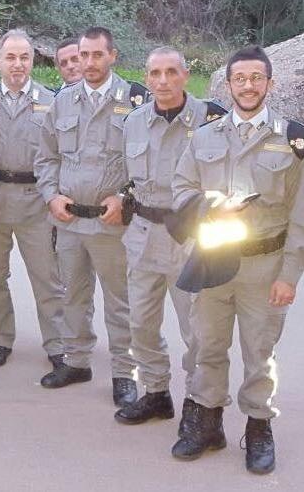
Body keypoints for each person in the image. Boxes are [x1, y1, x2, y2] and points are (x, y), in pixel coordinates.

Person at [170, 45, 304, 475]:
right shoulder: (205, 137)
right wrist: (213, 205)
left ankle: (259, 427)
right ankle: (207, 423)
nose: (248, 86)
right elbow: (181, 191)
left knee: (259, 352)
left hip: (265, 266)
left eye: (256, 78)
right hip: (213, 258)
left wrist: (289, 275)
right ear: (227, 85)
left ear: (270, 83)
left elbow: (300, 217)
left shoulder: (293, 142)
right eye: (240, 79)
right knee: (207, 344)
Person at [113, 47, 227, 426]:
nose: (163, 81)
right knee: (141, 323)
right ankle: (156, 392)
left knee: (197, 330)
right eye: (155, 73)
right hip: (143, 234)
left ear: (185, 75)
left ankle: (199, 404)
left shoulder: (211, 121)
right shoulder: (133, 122)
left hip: (190, 238)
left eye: (171, 72)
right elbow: (125, 176)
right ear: (147, 78)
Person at [34, 27, 137, 406]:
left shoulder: (135, 102)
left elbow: (146, 164)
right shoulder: (63, 102)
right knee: (73, 296)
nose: (89, 63)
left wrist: (125, 198)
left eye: (97, 55)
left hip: (112, 224)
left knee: (119, 301)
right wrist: (51, 196)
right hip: (70, 222)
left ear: (113, 56)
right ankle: (77, 361)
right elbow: (46, 157)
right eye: (83, 55)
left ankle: (125, 373)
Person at [0, 30, 67, 370]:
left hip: (36, 201)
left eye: (24, 57)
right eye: (10, 57)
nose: (17, 64)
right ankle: (0, 336)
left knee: (47, 278)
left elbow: (60, 154)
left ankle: (58, 343)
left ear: (33, 61)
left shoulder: (52, 102)